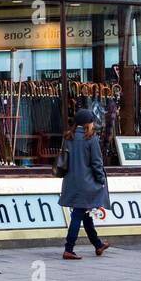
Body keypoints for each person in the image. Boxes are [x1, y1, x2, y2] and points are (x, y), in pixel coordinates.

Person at [58, 108, 112, 260]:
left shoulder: (68, 137)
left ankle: (98, 244)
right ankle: (69, 249)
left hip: (71, 182)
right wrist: (101, 180)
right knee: (78, 214)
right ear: (89, 124)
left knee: (85, 214)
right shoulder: (91, 138)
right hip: (87, 183)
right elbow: (96, 163)